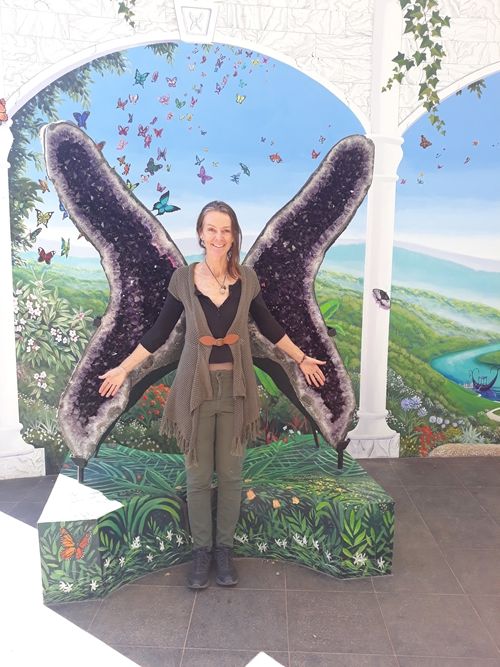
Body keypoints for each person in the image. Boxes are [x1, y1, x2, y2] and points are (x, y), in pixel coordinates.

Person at [98, 201, 326, 589]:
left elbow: (270, 327)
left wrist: (301, 358)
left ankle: (224, 552)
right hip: (196, 392)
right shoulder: (183, 280)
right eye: (211, 229)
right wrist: (124, 368)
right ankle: (201, 553)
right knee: (198, 476)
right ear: (201, 234)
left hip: (236, 391)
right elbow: (158, 333)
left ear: (234, 236)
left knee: (232, 475)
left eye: (226, 230)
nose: (219, 237)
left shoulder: (247, 280)